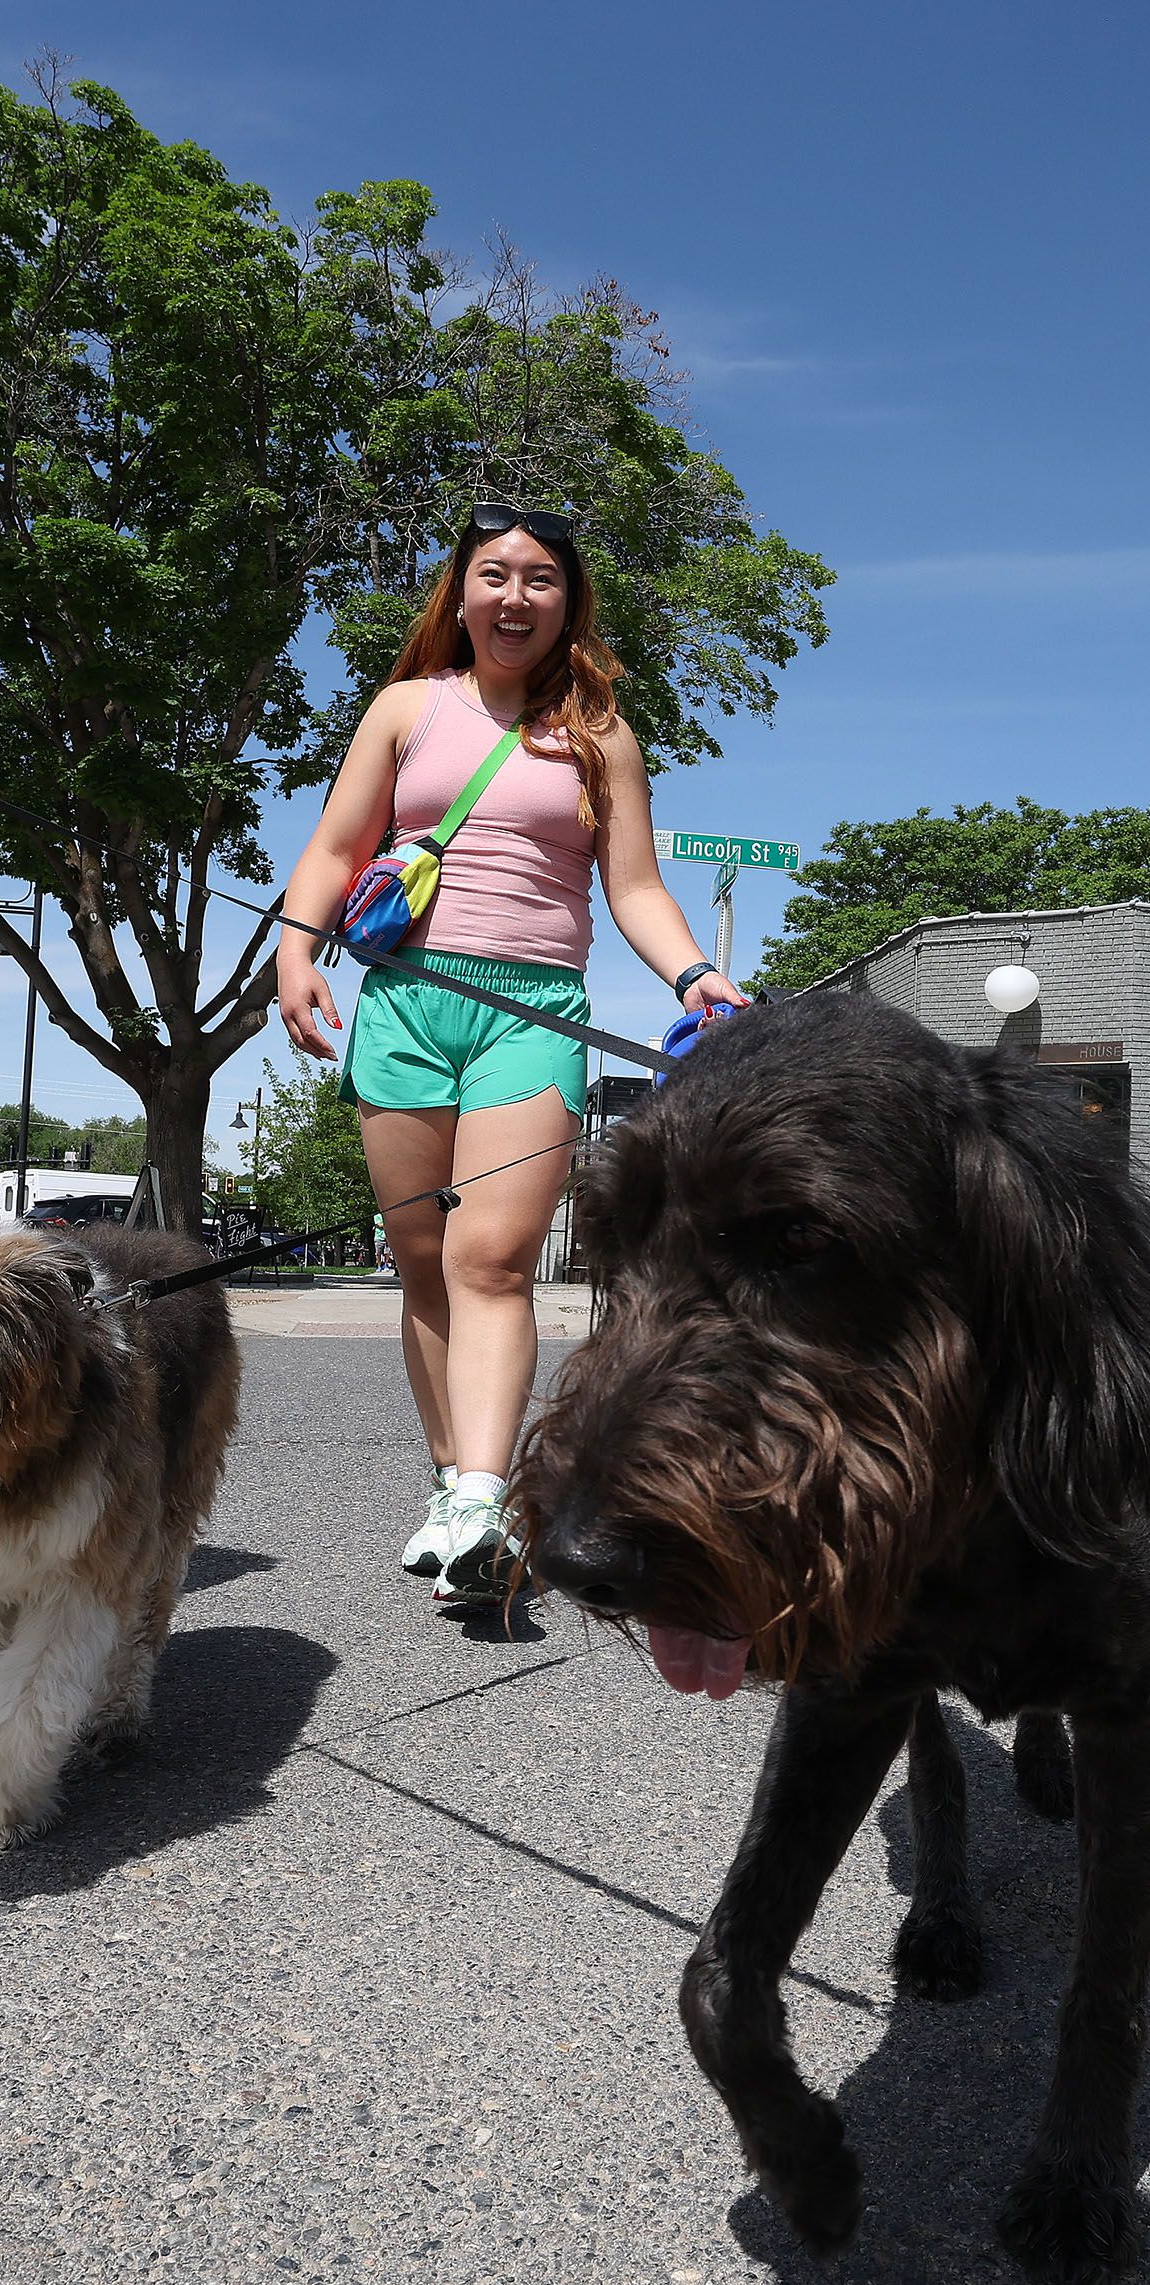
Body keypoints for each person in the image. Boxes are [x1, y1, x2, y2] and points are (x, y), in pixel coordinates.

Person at [274, 506, 745, 1608]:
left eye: (540, 579)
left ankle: (488, 1498)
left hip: (532, 1014)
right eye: (495, 575)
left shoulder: (601, 734)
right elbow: (336, 848)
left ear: (565, 604)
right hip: (404, 1002)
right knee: (424, 1258)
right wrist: (296, 950)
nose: (516, 596)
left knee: (493, 1258)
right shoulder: (405, 708)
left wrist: (693, 979)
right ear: (463, 592)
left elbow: (633, 887)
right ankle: (452, 1486)